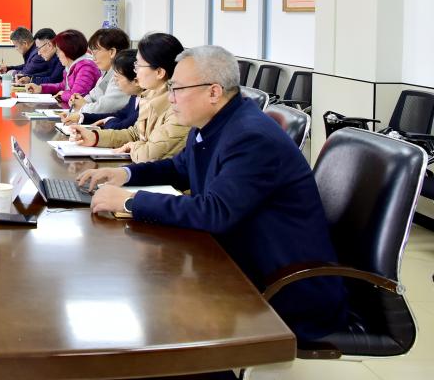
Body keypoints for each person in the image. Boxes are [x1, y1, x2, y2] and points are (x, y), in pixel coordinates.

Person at [78, 45, 347, 340]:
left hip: (282, 286)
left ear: (214, 92)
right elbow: (179, 168)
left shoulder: (251, 137)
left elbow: (214, 212)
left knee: (153, 314)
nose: (171, 97)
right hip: (237, 259)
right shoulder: (211, 123)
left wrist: (131, 201)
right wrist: (125, 174)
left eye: (178, 89)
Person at [68, 32, 189, 163]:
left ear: (159, 72)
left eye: (138, 66)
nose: (135, 71)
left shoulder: (178, 108)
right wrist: (95, 137)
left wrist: (134, 146)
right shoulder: (150, 95)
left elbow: (151, 155)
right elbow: (135, 133)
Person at [63, 48, 141, 129]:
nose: (115, 81)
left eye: (117, 77)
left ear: (136, 81)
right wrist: (82, 117)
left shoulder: (145, 102)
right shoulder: (134, 96)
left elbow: (121, 125)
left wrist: (108, 121)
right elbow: (120, 115)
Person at [66, 28, 131, 118]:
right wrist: (77, 101)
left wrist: (83, 106)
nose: (93, 58)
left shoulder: (121, 76)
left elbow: (104, 108)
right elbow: (92, 96)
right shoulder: (106, 73)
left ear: (112, 52)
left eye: (95, 52)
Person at [24, 29, 100, 102]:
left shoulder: (86, 67)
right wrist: (40, 88)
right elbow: (62, 86)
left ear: (68, 50)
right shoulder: (71, 66)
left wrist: (62, 95)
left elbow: (76, 96)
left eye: (58, 51)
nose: (57, 55)